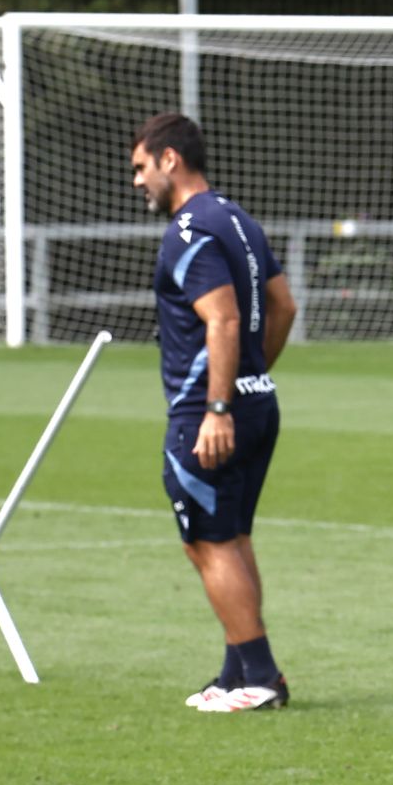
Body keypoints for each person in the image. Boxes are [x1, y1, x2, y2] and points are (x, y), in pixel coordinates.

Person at [131, 112, 297, 713]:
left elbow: (223, 318)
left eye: (141, 167)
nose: (137, 181)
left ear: (170, 160)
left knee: (209, 543)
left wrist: (220, 405)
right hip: (256, 401)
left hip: (209, 412)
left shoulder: (187, 230)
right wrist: (253, 376)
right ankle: (237, 673)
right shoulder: (238, 218)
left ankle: (259, 676)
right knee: (230, 537)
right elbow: (284, 306)